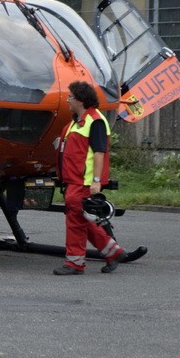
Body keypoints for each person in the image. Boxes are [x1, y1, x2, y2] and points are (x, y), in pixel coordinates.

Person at [53, 81, 125, 275]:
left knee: (75, 221)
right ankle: (112, 251)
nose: (67, 100)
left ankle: (75, 263)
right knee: (81, 218)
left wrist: (95, 181)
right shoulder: (77, 121)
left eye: (70, 97)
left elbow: (99, 152)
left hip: (83, 182)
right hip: (74, 180)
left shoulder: (95, 121)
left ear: (81, 100)